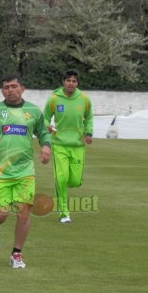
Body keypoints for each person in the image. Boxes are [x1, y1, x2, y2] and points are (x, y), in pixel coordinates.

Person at [0, 74, 51, 268]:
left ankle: (16, 255)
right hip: (1, 172)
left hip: (25, 172)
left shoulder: (33, 111)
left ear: (22, 88)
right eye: (6, 87)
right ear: (2, 90)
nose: (10, 90)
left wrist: (46, 146)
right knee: (1, 215)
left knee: (23, 214)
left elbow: (43, 132)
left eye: (14, 86)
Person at [43, 69, 93, 223]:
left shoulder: (84, 99)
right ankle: (64, 213)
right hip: (59, 145)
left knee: (75, 181)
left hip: (78, 145)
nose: (71, 83)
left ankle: (63, 185)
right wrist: (47, 126)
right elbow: (44, 118)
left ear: (77, 83)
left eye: (74, 81)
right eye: (68, 80)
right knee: (61, 178)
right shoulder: (54, 99)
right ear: (63, 82)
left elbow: (89, 118)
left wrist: (88, 133)